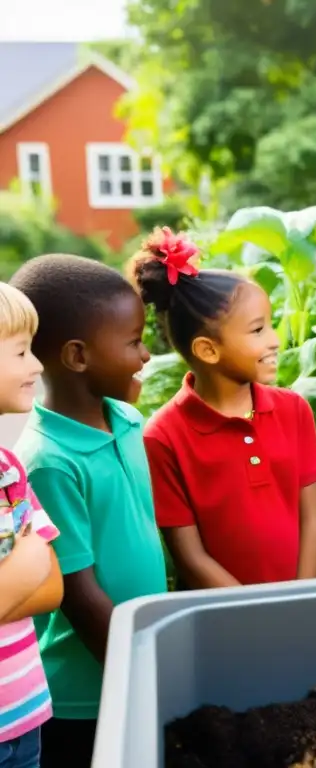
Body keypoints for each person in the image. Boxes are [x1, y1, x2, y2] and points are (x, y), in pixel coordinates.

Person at [9, 255, 168, 768]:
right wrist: (142, 674)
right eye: (133, 342)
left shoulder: (124, 418)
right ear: (78, 356)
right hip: (87, 695)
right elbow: (79, 596)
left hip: (139, 659)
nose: (145, 355)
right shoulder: (47, 462)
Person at [130, 228, 316, 588]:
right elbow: (189, 556)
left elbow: (314, 517)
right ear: (208, 350)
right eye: (257, 331)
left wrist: (304, 598)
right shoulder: (163, 436)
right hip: (224, 621)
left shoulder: (293, 409)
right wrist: (251, 613)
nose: (274, 340)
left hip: (304, 608)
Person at [0, 283, 62, 768]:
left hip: (23, 716)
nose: (37, 365)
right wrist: (24, 564)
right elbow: (35, 569)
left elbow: (52, 588)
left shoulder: (8, 470)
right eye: (21, 352)